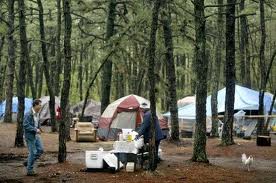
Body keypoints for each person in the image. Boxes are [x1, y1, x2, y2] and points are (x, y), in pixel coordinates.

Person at [23, 99, 44, 176]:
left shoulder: (38, 113)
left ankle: (28, 162)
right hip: (29, 136)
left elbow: (37, 122)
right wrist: (35, 129)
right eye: (40, 105)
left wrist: (39, 128)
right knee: (33, 152)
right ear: (35, 105)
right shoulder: (28, 114)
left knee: (40, 150)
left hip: (36, 135)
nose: (41, 106)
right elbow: (25, 125)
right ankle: (29, 170)